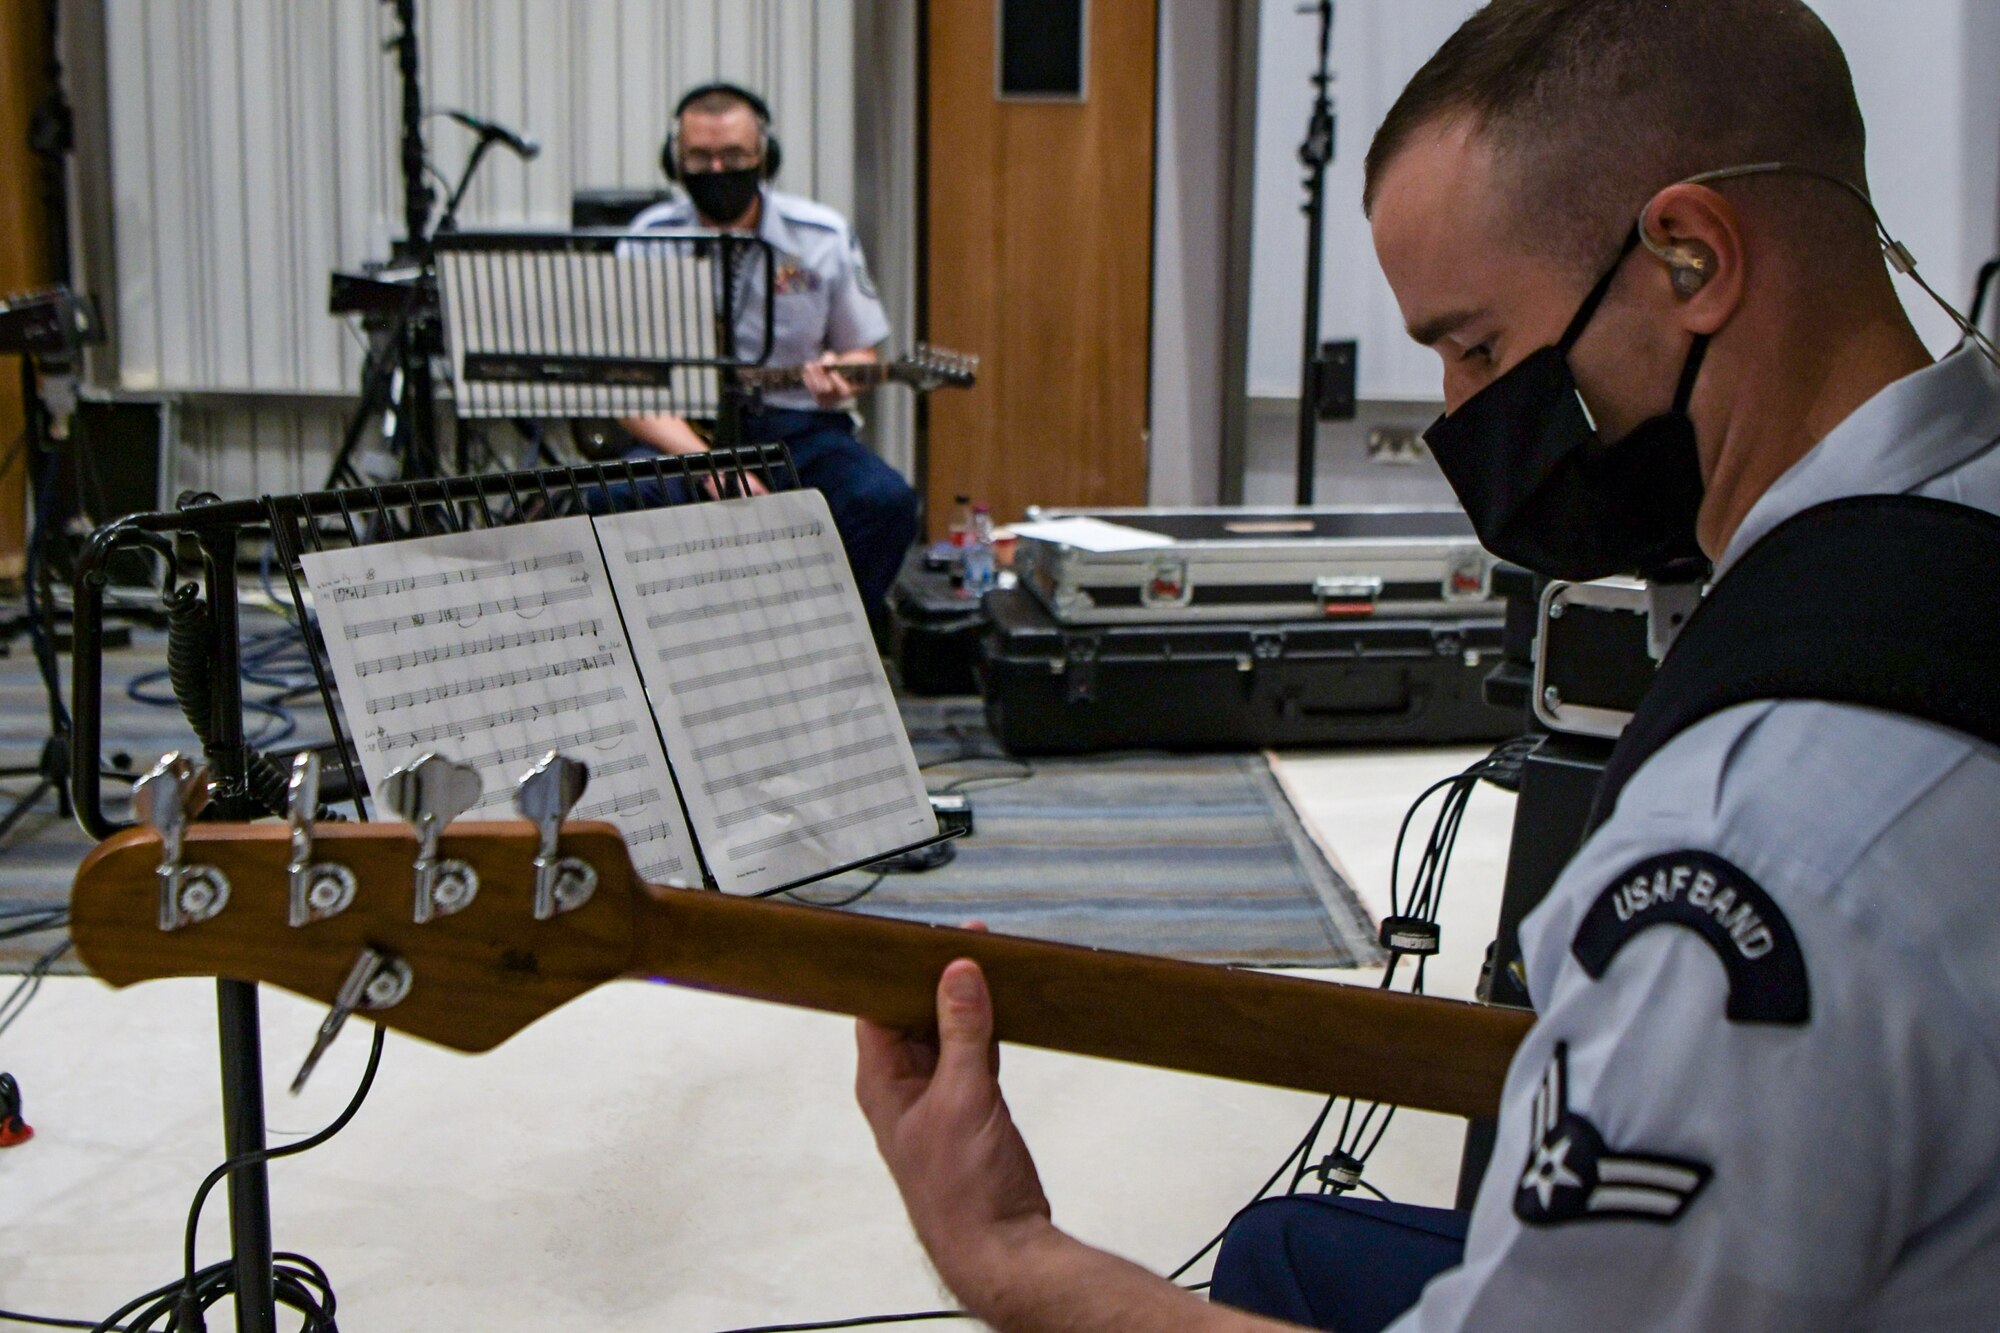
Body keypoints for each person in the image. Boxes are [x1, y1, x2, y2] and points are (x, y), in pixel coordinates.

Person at [852, 1, 2000, 1328]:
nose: (1463, 418)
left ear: (1692, 258)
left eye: (1479, 348)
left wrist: (1007, 1251)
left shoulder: (1748, 843)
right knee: (1290, 1245)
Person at [622, 82, 918, 614]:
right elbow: (628, 391)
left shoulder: (821, 236)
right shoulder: (647, 240)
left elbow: (861, 355)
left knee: (885, 502)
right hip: (684, 434)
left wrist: (839, 377)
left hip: (800, 431)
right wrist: (705, 463)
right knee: (608, 503)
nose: (717, 171)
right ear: (676, 161)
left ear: (764, 157)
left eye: (733, 156)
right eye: (700, 157)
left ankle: (822, 637)